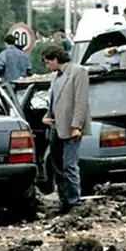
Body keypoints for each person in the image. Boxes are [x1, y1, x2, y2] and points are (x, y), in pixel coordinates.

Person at [41, 45, 91, 213]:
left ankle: (74, 202)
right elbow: (54, 100)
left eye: (48, 62)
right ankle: (64, 200)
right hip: (55, 126)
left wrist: (77, 126)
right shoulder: (56, 77)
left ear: (56, 59)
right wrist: (47, 116)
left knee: (70, 165)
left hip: (71, 127)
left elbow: (81, 101)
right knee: (57, 166)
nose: (47, 66)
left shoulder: (78, 72)